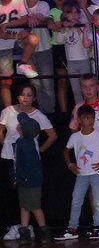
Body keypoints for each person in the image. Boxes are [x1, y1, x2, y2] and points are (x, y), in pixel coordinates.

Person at [1, 83, 56, 240]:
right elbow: (1, 130)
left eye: (29, 95)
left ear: (34, 98)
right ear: (17, 96)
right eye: (22, 94)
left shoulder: (38, 115)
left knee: (30, 197)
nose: (25, 98)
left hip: (29, 161)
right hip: (9, 158)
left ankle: (31, 228)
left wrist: (40, 150)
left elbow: (53, 136)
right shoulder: (8, 111)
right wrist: (6, 146)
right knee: (13, 195)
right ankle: (17, 227)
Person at [68, 73, 99, 232]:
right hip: (87, 156)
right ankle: (97, 222)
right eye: (84, 86)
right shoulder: (78, 108)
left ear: (98, 87)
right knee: (91, 187)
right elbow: (73, 129)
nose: (88, 90)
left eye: (91, 86)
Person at [62, 105, 99, 240]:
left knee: (98, 201)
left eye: (92, 118)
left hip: (96, 174)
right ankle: (72, 228)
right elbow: (66, 150)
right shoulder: (75, 137)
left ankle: (98, 227)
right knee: (76, 201)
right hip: (81, 175)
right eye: (86, 118)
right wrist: (70, 165)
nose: (90, 121)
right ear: (79, 120)